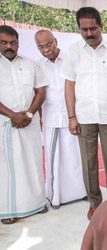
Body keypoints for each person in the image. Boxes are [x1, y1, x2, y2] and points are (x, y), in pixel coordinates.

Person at [60, 7, 107, 220]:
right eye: (85, 29)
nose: (89, 33)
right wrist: (71, 116)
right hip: (84, 117)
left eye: (93, 28)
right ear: (79, 29)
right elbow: (69, 86)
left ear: (102, 26)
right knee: (88, 161)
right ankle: (95, 203)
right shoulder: (73, 52)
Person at [0, 25, 48, 224]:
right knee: (9, 169)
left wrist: (28, 114)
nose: (9, 46)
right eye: (4, 43)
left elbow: (41, 91)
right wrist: (13, 115)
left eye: (13, 42)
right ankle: (9, 210)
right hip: (5, 124)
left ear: (19, 43)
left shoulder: (30, 64)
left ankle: (37, 203)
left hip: (30, 122)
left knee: (33, 163)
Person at [35, 30, 86, 208]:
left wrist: (76, 115)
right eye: (41, 47)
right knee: (54, 158)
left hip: (73, 116)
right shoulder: (38, 66)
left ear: (56, 41)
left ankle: (81, 192)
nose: (46, 50)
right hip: (51, 118)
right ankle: (55, 196)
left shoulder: (70, 60)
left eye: (48, 44)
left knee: (76, 156)